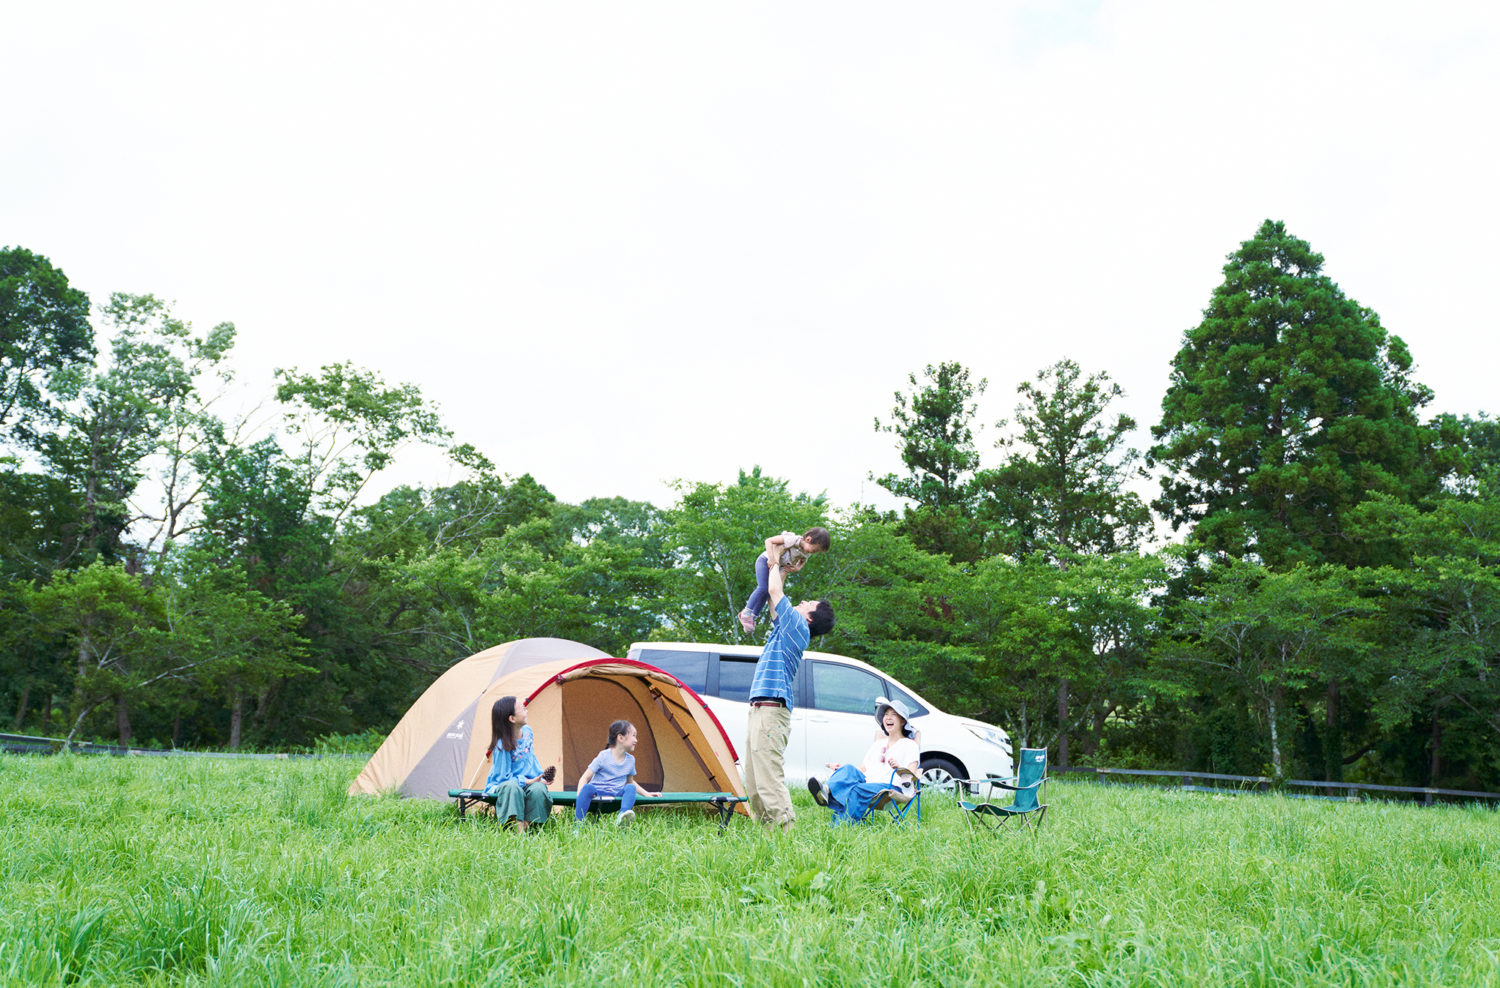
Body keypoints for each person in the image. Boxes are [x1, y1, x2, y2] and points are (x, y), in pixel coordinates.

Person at [743, 552, 836, 832]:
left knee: (769, 776)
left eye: (808, 604)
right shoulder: (787, 627)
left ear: (809, 617)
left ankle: (786, 832)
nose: (803, 601)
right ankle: (766, 835)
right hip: (760, 708)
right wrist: (783, 570)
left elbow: (773, 591)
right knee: (753, 780)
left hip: (772, 709)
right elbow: (774, 600)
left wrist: (774, 561)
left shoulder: (798, 628)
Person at [806, 697, 920, 824]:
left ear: (902, 721)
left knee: (855, 790)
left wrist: (899, 768)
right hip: (868, 782)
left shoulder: (909, 745)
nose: (888, 718)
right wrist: (842, 772)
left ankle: (839, 827)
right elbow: (862, 770)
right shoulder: (878, 744)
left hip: (891, 787)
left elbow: (911, 774)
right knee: (848, 769)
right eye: (886, 714)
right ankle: (825, 791)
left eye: (893, 715)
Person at [483, 695, 556, 832]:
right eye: (522, 709)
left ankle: (526, 826)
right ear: (512, 718)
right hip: (505, 784)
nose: (526, 710)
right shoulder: (501, 746)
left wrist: (540, 777)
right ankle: (517, 830)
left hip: (529, 781)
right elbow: (502, 778)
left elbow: (530, 758)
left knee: (538, 789)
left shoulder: (528, 732)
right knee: (513, 788)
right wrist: (526, 781)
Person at [738, 527, 831, 633]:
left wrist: (797, 568)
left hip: (777, 567)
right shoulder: (793, 539)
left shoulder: (806, 552)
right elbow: (769, 541)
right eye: (814, 550)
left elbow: (802, 561)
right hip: (765, 560)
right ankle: (746, 613)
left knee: (768, 593)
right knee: (763, 588)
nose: (812, 553)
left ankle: (753, 616)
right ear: (808, 539)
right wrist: (772, 558)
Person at [574, 719, 662, 827]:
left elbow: (630, 782)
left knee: (630, 788)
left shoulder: (630, 760)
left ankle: (623, 816)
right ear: (620, 738)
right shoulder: (603, 756)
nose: (636, 740)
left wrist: (646, 794)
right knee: (588, 787)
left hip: (616, 792)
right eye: (633, 735)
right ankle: (578, 825)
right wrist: (579, 796)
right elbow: (585, 778)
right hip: (597, 792)